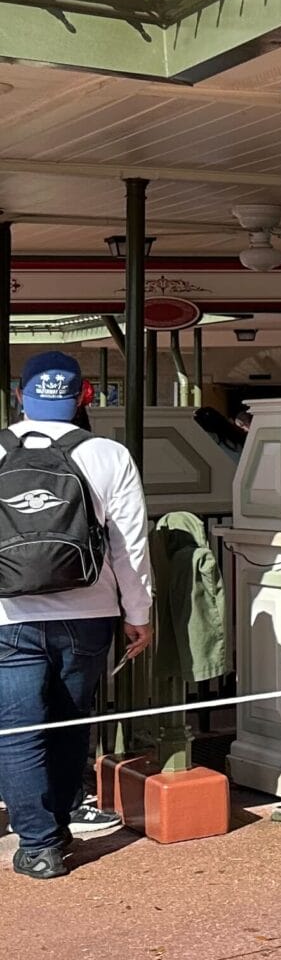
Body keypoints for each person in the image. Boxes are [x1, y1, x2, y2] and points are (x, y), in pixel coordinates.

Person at [0, 354, 152, 880]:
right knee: (70, 723)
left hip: (7, 615)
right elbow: (129, 545)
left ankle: (38, 846)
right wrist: (139, 613)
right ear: (83, 398)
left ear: (21, 396)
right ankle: (60, 825)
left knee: (17, 732)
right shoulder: (109, 454)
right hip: (88, 610)